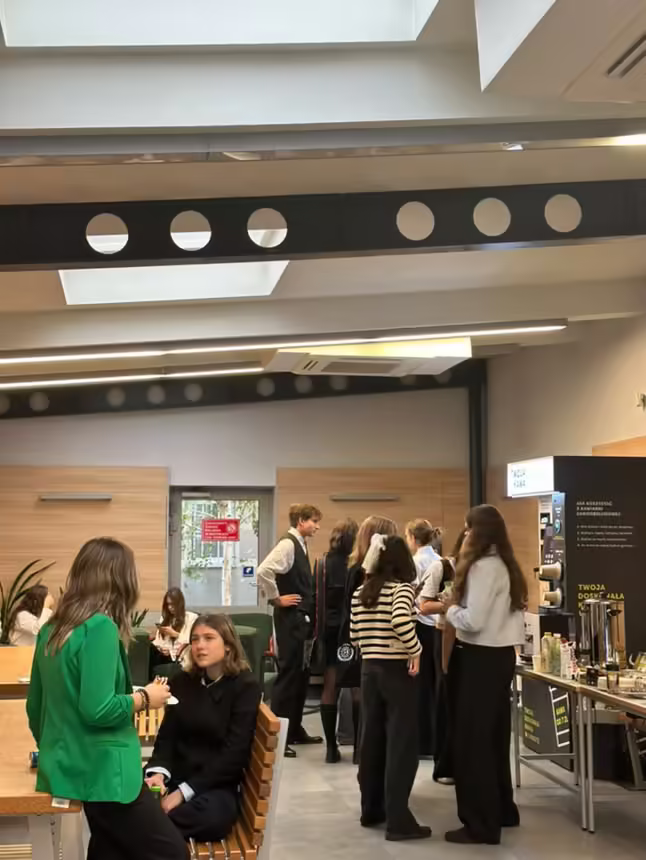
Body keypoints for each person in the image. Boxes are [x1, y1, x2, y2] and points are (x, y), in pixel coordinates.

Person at [26, 537, 184, 860]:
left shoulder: (50, 630)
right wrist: (145, 697)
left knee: (109, 850)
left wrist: (61, 753)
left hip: (68, 768)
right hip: (107, 774)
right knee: (171, 852)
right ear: (120, 580)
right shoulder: (100, 628)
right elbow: (97, 709)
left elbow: (35, 707)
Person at [443, 505, 526, 845]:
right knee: (493, 739)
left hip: (479, 658)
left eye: (468, 528)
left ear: (478, 532)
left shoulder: (481, 568)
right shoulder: (506, 564)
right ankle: (502, 809)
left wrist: (448, 608)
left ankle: (480, 823)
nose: (464, 534)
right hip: (501, 657)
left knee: (472, 743)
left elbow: (473, 621)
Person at [145, 614, 262, 842]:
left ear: (228, 645)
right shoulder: (182, 682)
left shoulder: (245, 686)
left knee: (212, 818)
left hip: (214, 785)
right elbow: (167, 737)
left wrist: (182, 793)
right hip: (175, 777)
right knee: (125, 801)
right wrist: (158, 773)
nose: (200, 645)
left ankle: (149, 830)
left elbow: (233, 756)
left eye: (209, 638)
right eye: (195, 639)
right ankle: (153, 829)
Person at [350, 534, 430, 842]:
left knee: (372, 741)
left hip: (369, 670)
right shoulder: (401, 590)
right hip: (396, 671)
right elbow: (400, 621)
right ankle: (398, 820)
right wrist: (416, 650)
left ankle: (371, 809)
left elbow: (354, 635)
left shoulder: (361, 592)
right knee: (401, 745)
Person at [257, 503, 322, 758]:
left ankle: (294, 729)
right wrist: (276, 598)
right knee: (288, 676)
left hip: (300, 620)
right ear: (301, 521)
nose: (317, 526)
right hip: (290, 620)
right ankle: (279, 737)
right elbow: (264, 570)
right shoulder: (287, 544)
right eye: (314, 521)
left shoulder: (300, 544)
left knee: (300, 676)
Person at [337, 515, 398, 765]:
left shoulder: (355, 568)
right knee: (363, 694)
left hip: (354, 634)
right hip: (364, 637)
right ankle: (363, 749)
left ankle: (361, 749)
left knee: (359, 692)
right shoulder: (364, 572)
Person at [419, 528, 467, 784]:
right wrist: (450, 607)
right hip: (444, 635)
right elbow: (424, 604)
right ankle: (444, 764)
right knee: (446, 697)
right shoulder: (442, 567)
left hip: (473, 639)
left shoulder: (481, 570)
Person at [313, 518, 359, 763]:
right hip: (353, 630)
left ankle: (331, 749)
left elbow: (316, 598)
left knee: (330, 686)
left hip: (330, 631)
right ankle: (359, 749)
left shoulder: (322, 563)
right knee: (357, 686)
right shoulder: (358, 564)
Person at [405, 519, 440, 758]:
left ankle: (422, 741)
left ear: (413, 538)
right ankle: (435, 739)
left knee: (419, 685)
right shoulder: (439, 560)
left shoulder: (415, 562)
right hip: (437, 626)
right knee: (434, 684)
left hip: (419, 624)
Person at [151, 587, 198, 670]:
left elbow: (191, 640)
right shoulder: (164, 618)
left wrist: (175, 634)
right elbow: (159, 641)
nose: (170, 607)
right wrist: (161, 649)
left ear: (180, 604)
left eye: (173, 604)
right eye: (168, 604)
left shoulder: (191, 618)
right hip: (165, 656)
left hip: (181, 656)